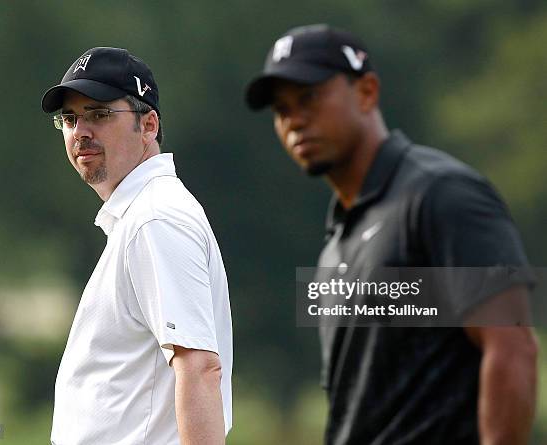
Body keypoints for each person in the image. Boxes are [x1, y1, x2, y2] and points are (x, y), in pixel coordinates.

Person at [245, 24, 538, 445]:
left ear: (366, 91)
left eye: (309, 97)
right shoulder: (335, 243)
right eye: (281, 108)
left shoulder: (442, 194)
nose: (294, 120)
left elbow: (512, 348)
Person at [41, 47, 232, 445]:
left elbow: (199, 369)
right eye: (70, 118)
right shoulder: (143, 216)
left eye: (99, 114)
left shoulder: (155, 219)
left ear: (148, 125)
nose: (80, 131)